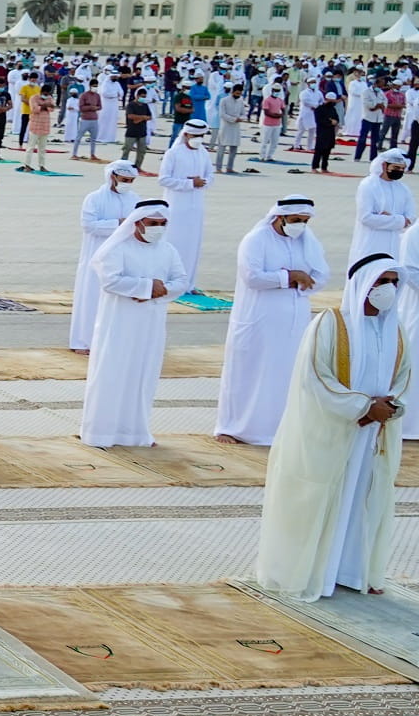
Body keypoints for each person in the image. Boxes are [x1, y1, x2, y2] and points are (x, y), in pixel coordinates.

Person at [255, 252, 410, 601]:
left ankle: (353, 571)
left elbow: (403, 378)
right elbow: (316, 379)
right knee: (322, 499)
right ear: (363, 286)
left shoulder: (395, 329)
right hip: (333, 434)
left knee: (363, 500)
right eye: (381, 282)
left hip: (372, 437)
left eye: (393, 283)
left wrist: (387, 408)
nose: (388, 289)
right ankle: (313, 574)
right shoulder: (331, 324)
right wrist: (364, 408)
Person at [214, 197, 326, 445]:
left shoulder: (307, 242)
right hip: (258, 320)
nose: (301, 226)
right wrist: (290, 277)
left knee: (286, 373)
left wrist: (299, 280)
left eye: (305, 221)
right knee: (249, 372)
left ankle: (278, 429)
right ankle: (233, 428)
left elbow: (321, 275)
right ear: (280, 217)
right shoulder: (256, 240)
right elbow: (252, 277)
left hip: (293, 321)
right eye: (296, 220)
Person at [79, 200, 189, 448]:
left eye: (162, 224)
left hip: (151, 322)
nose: (158, 228)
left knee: (143, 374)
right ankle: (100, 433)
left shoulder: (168, 250)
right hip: (119, 322)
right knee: (113, 373)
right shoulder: (116, 249)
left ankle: (136, 434)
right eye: (153, 223)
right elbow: (110, 280)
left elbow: (181, 280)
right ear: (137, 223)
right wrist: (148, 286)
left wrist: (159, 290)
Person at [71, 162, 141, 353]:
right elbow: (89, 226)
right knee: (91, 296)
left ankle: (113, 341)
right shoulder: (94, 198)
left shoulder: (134, 199)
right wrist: (118, 224)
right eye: (124, 180)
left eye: (131, 181)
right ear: (112, 176)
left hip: (123, 255)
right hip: (96, 253)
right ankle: (84, 341)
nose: (127, 184)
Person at [158, 120, 213, 293]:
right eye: (195, 136)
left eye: (201, 136)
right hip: (176, 207)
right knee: (174, 243)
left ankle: (188, 284)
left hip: (196, 208)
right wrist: (189, 183)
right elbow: (164, 179)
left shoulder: (203, 153)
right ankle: (169, 282)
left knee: (192, 245)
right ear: (186, 134)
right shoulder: (173, 153)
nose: (198, 139)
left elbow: (210, 175)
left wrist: (203, 182)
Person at [350, 150, 414, 263]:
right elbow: (366, 218)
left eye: (402, 169)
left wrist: (387, 218)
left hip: (395, 244)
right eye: (395, 167)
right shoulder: (368, 185)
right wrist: (399, 220)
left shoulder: (403, 189)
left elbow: (410, 219)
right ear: (384, 165)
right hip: (370, 243)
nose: (399, 171)